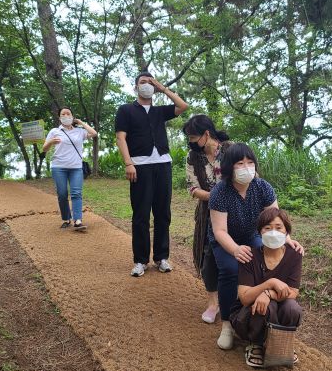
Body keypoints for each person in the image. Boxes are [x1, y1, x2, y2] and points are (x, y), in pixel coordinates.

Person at [209, 143, 303, 350]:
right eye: (240, 163)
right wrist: (235, 249)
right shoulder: (220, 192)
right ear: (229, 167)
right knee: (230, 269)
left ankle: (261, 313)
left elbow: (275, 219)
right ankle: (227, 324)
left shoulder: (263, 187)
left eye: (250, 162)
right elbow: (220, 231)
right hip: (226, 238)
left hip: (253, 235)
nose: (246, 167)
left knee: (264, 262)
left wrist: (287, 238)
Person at [115, 71, 188, 277]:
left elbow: (183, 106)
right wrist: (128, 163)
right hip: (139, 166)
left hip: (163, 165)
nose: (146, 85)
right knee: (141, 214)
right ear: (136, 87)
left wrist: (163, 88)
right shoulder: (126, 110)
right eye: (142, 82)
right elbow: (121, 138)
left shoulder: (159, 111)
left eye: (149, 82)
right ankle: (140, 260)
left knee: (163, 213)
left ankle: (162, 257)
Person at [230, 208, 303, 368]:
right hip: (248, 313)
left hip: (277, 303)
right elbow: (244, 298)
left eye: (278, 227)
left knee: (292, 308)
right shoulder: (249, 256)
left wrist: (268, 294)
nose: (273, 232)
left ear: (286, 232)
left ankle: (282, 342)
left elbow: (293, 292)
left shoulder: (294, 255)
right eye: (267, 228)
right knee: (265, 306)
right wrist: (270, 283)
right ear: (260, 232)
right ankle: (255, 343)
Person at [183, 115, 231, 324]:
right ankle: (213, 303)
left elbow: (247, 175)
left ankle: (235, 300)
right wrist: (216, 197)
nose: (191, 141)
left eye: (193, 137)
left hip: (234, 212)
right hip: (208, 214)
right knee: (208, 255)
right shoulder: (192, 157)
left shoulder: (230, 150)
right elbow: (193, 188)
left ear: (206, 134)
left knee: (234, 255)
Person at [42, 107, 98, 231]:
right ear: (59, 117)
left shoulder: (80, 131)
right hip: (58, 167)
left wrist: (81, 123)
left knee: (76, 193)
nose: (66, 116)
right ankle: (66, 218)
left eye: (68, 114)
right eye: (63, 114)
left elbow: (94, 133)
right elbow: (44, 148)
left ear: (72, 117)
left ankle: (78, 220)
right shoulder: (55, 131)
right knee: (62, 194)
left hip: (76, 168)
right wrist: (50, 142)